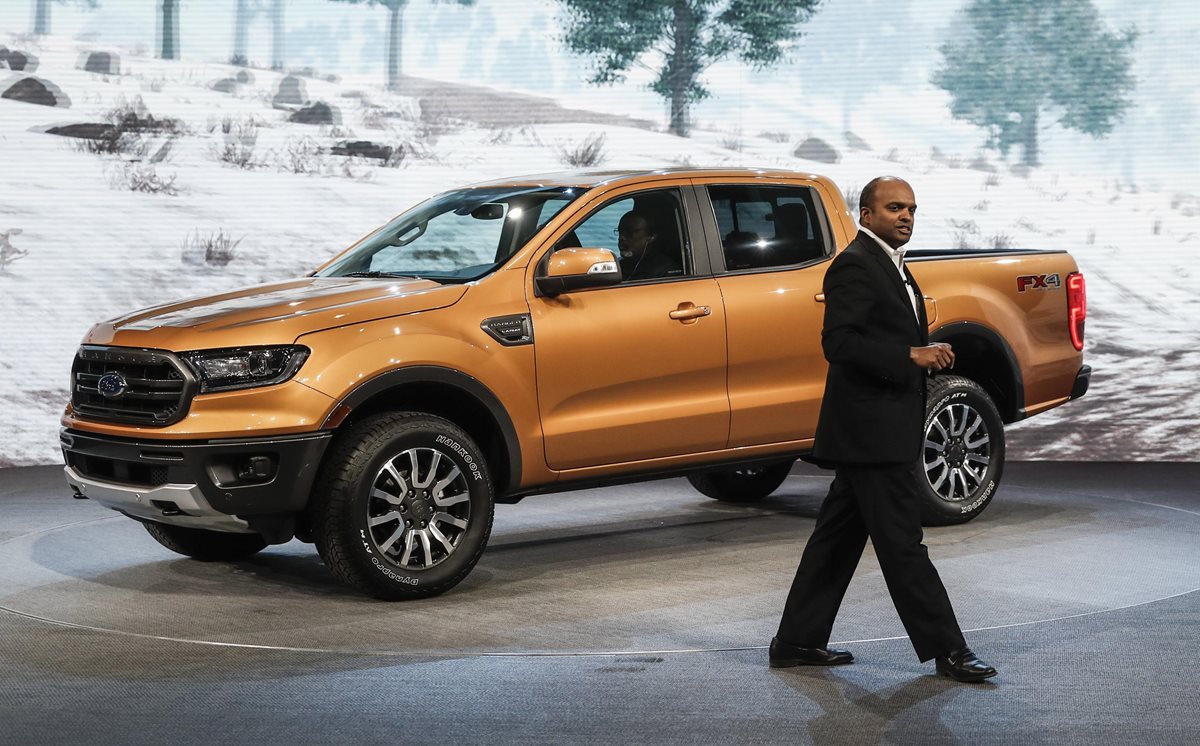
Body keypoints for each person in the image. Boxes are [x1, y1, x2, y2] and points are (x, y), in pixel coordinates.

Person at [770, 176, 997, 683]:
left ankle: (795, 641)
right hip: (871, 433)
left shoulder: (892, 266)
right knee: (903, 545)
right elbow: (839, 344)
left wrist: (918, 354)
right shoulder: (854, 265)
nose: (906, 216)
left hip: (875, 429)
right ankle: (949, 650)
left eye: (912, 208)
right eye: (894, 207)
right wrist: (909, 356)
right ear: (865, 215)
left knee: (836, 540)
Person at [616, 210, 681, 281]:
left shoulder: (666, 271)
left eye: (630, 232)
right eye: (620, 231)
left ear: (651, 236)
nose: (622, 237)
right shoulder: (618, 266)